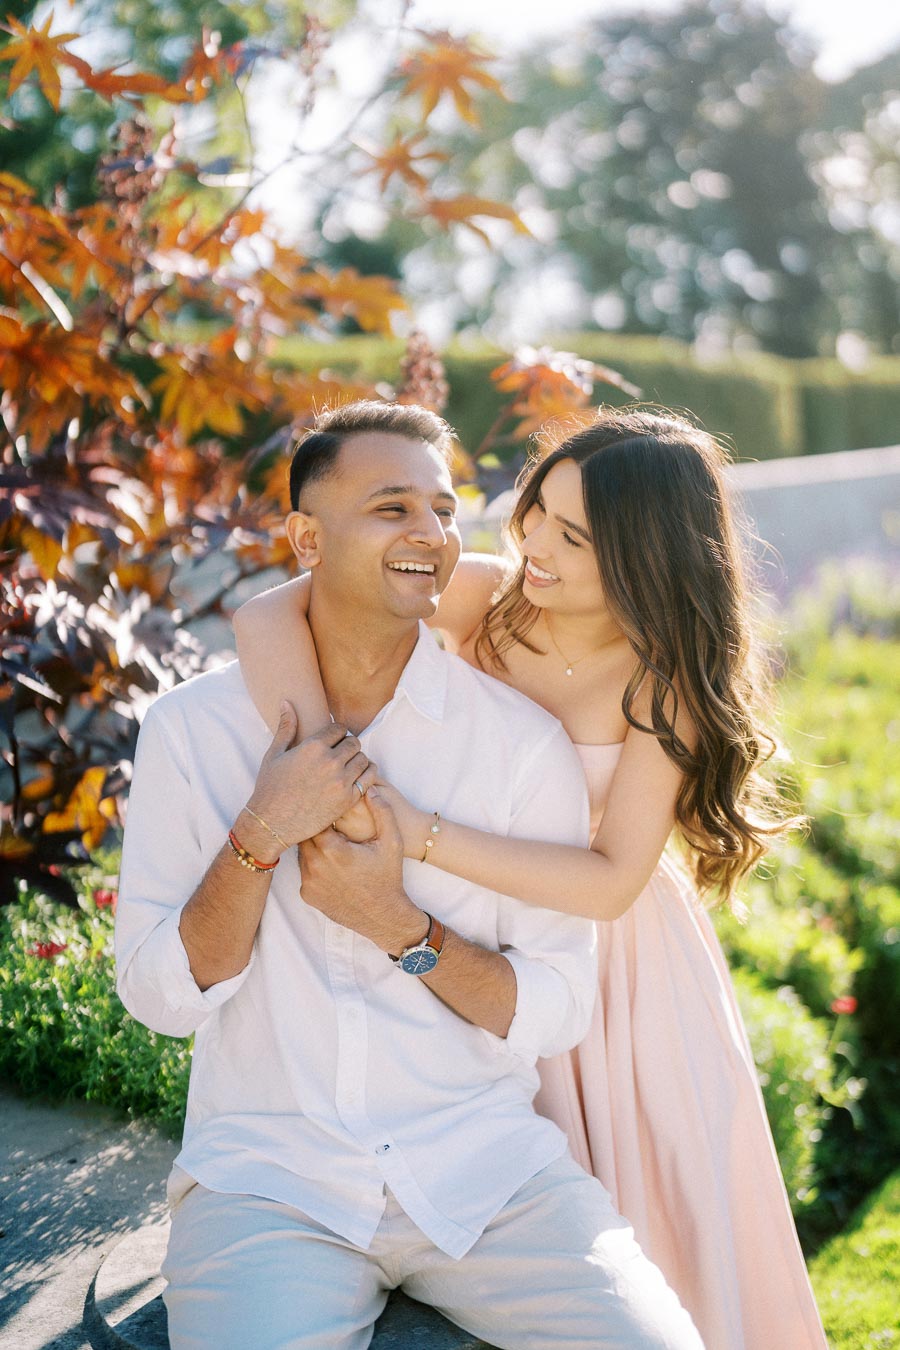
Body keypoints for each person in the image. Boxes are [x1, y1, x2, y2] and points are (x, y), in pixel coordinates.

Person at [235, 405, 828, 1350]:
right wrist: (327, 774)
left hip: (618, 967)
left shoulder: (665, 678)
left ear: (645, 554)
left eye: (573, 536)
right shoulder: (486, 598)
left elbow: (607, 882)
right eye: (537, 512)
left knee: (633, 1211)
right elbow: (270, 611)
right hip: (466, 919)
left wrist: (410, 829)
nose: (534, 545)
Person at [115, 400, 703, 1350]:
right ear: (306, 535)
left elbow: (555, 1007)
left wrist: (402, 927)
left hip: (488, 1171)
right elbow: (158, 998)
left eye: (442, 509)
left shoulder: (521, 744)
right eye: (393, 508)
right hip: (268, 1180)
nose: (430, 534)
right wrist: (263, 830)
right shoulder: (193, 732)